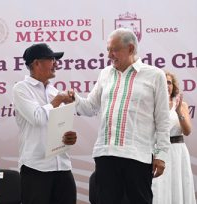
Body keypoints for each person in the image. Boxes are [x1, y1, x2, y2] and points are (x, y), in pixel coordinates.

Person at [69, 28, 171, 204]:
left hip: (138, 156)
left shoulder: (155, 75)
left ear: (130, 49)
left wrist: (161, 154)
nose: (109, 55)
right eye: (108, 49)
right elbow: (91, 108)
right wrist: (75, 99)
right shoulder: (105, 73)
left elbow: (162, 118)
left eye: (114, 49)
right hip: (106, 154)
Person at [12, 43, 77, 204]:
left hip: (62, 165)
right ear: (37, 63)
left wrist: (69, 136)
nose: (56, 63)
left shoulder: (54, 91)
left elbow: (58, 126)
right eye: (51, 59)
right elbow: (38, 118)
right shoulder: (21, 89)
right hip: (36, 168)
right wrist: (59, 99)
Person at [152, 71, 196, 204]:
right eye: (163, 82)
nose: (166, 85)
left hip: (178, 152)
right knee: (160, 189)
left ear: (173, 86)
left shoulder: (182, 105)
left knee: (179, 187)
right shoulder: (151, 106)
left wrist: (179, 112)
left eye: (169, 82)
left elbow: (187, 131)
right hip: (160, 152)